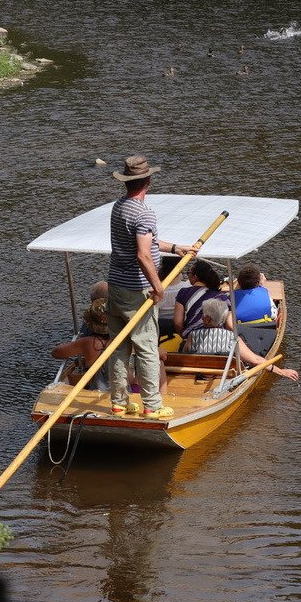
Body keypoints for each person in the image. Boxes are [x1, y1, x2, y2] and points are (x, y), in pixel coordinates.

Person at [106, 155, 196, 419]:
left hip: (116, 287)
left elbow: (146, 242)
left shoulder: (118, 206)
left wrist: (175, 248)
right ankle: (152, 406)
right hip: (137, 290)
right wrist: (157, 287)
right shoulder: (144, 212)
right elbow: (143, 255)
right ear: (148, 180)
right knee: (146, 348)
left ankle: (119, 403)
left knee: (118, 347)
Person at [183, 299, 298, 382]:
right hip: (223, 379)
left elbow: (183, 357)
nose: (202, 317)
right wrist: (281, 371)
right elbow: (255, 360)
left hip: (198, 376)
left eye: (203, 315)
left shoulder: (192, 336)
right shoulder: (232, 338)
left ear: (207, 319)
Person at [52, 298, 111, 390]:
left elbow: (56, 353)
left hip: (97, 390)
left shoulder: (87, 342)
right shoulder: (122, 341)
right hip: (121, 390)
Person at [173, 259, 228, 338]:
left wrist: (184, 336)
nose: (187, 275)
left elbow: (178, 323)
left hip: (192, 335)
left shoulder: (184, 292)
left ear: (195, 277)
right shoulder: (221, 297)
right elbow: (228, 322)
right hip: (217, 336)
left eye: (188, 273)